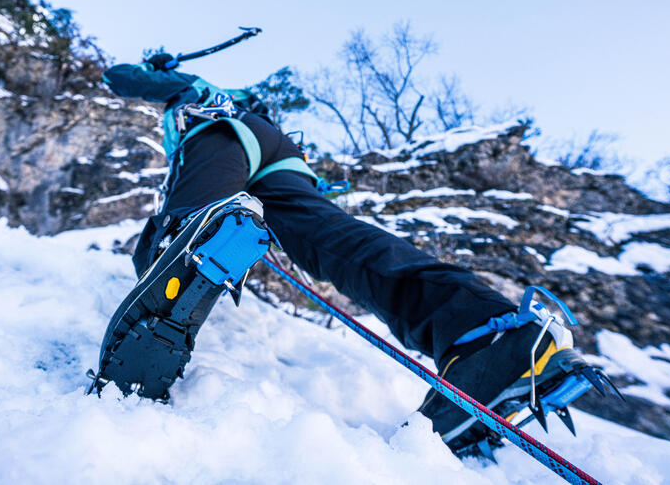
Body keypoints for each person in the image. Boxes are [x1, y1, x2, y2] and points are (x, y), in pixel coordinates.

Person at [88, 52, 603, 456]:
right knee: (330, 239)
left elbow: (119, 77)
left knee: (191, 220)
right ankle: (488, 337)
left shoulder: (193, 90)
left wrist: (156, 71)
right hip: (282, 155)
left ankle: (164, 304)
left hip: (221, 133)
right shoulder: (256, 105)